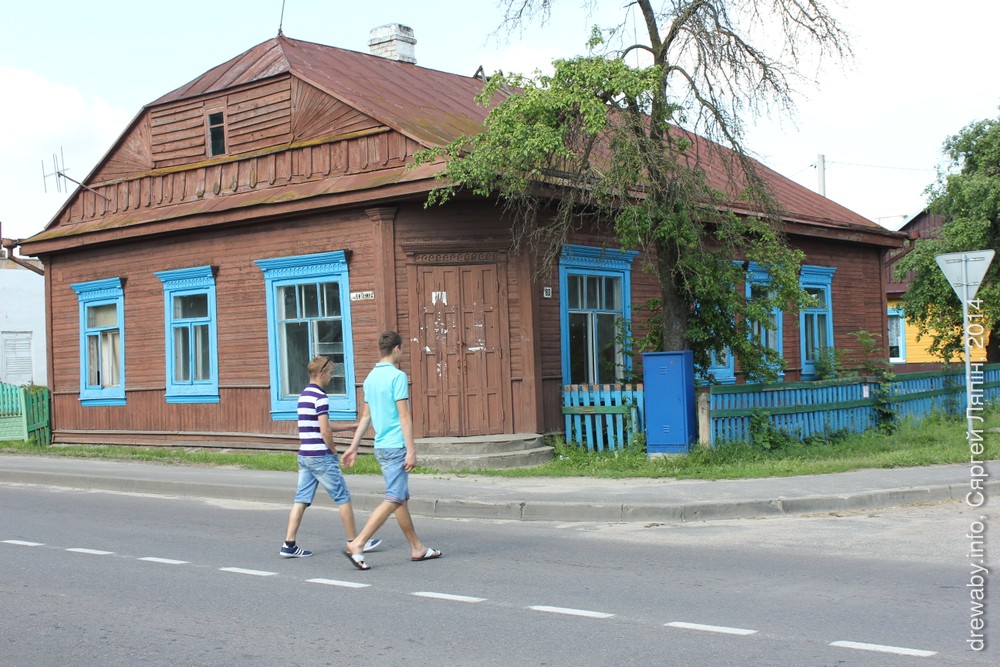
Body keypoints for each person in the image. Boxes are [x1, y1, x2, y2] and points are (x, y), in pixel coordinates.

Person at [341, 331, 442, 570]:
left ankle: (417, 547)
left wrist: (353, 446)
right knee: (394, 498)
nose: (402, 353)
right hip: (396, 446)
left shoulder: (370, 378)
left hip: (381, 447)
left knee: (400, 499)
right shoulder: (397, 376)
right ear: (396, 349)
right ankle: (358, 543)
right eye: (402, 349)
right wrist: (411, 450)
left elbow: (365, 417)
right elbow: (404, 416)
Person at [280, 355, 381, 558]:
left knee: (301, 500)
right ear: (321, 373)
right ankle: (354, 542)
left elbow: (322, 425)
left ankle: (289, 545)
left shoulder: (304, 395)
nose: (332, 377)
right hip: (321, 457)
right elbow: (325, 431)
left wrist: (350, 426)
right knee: (343, 498)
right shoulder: (320, 397)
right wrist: (334, 453)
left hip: (305, 455)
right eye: (330, 373)